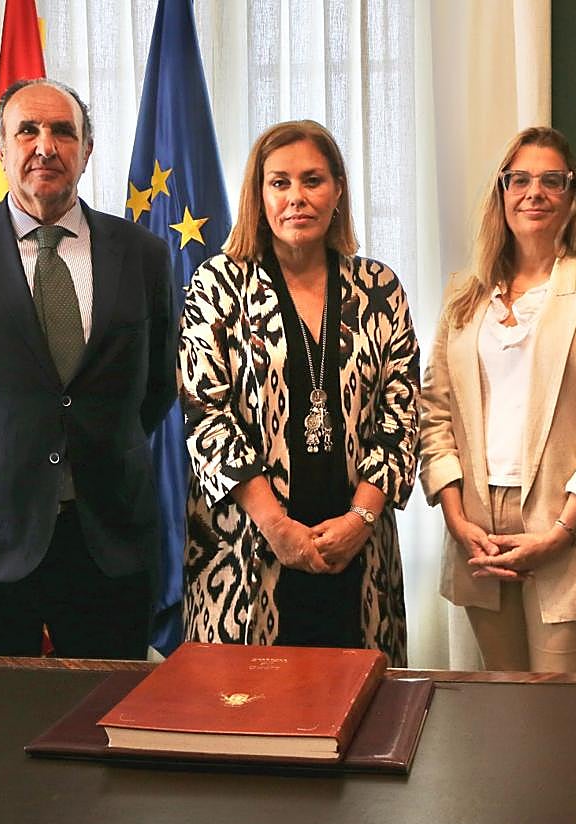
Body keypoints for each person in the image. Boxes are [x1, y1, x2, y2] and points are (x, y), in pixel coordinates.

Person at [0, 79, 176, 658]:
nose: (45, 146)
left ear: (86, 150)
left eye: (63, 132)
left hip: (107, 537)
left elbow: (157, 386)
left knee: (104, 728)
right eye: (27, 130)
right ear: (2, 147)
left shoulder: (142, 254)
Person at [179, 120, 419, 666]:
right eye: (279, 183)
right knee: (245, 719)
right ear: (258, 195)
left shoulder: (379, 288)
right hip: (245, 548)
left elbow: (402, 413)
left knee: (359, 717)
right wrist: (278, 527)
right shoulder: (217, 285)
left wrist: (360, 521)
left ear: (337, 190)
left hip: (358, 547)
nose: (296, 198)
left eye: (312, 180)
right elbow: (205, 415)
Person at [420, 127, 576, 672]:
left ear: (571, 197)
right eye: (520, 179)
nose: (534, 192)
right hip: (479, 529)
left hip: (572, 526)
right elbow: (434, 414)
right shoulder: (464, 294)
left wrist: (559, 535)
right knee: (502, 705)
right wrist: (457, 520)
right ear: (501, 192)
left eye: (552, 181)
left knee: (561, 719)